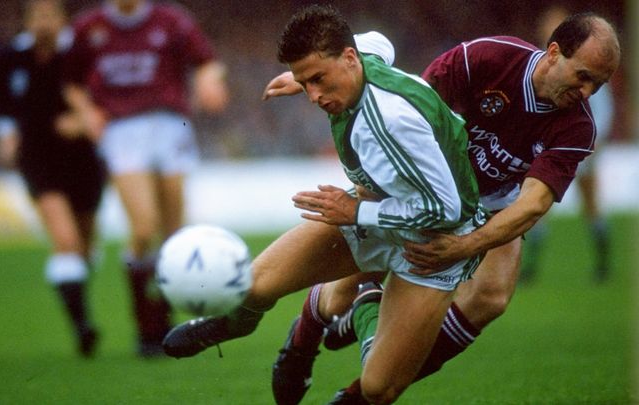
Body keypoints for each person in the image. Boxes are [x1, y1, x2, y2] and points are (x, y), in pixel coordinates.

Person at [263, 11, 621, 404]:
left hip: (490, 208)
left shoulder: (579, 126)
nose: (587, 93)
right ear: (554, 53)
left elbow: (532, 205)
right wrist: (315, 82)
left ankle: (357, 396)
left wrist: (466, 245)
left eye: (598, 85)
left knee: (491, 296)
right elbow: (409, 103)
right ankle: (304, 338)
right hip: (420, 185)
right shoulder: (487, 59)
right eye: (583, 76)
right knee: (345, 285)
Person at [162, 5, 488, 404]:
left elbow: (446, 208)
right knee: (254, 286)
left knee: (378, 387)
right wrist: (301, 79)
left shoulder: (392, 120)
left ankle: (367, 299)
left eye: (318, 80)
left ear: (348, 60)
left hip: (435, 244)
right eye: (306, 82)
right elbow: (379, 43)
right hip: (379, 212)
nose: (314, 95)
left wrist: (356, 212)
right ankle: (231, 325)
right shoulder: (359, 61)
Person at [61, 0, 229, 357]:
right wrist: (87, 111)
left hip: (171, 124)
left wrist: (208, 81)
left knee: (173, 232)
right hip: (122, 129)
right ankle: (145, 322)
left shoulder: (170, 21)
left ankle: (164, 322)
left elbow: (207, 61)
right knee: (142, 227)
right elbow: (70, 82)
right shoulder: (88, 28)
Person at [0, 0, 107, 357]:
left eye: (49, 15)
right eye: (36, 16)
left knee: (84, 246)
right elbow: (2, 104)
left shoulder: (82, 52)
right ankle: (83, 327)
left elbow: (103, 95)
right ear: (26, 21)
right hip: (38, 159)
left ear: (62, 19)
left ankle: (76, 295)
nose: (43, 23)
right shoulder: (10, 58)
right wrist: (7, 136)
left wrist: (83, 120)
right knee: (66, 240)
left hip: (83, 158)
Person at [522, 5, 614, 283]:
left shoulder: (586, 66)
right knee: (536, 207)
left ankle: (603, 265)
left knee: (591, 205)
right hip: (550, 149)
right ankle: (530, 268)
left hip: (583, 150)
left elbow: (602, 108)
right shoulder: (541, 62)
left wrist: (594, 143)